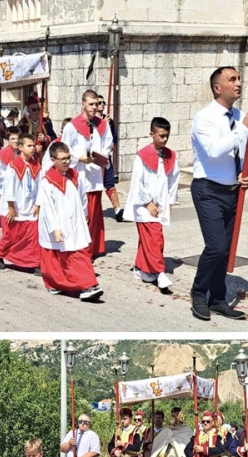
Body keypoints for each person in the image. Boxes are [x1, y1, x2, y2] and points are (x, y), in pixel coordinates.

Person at [189, 66, 248, 321]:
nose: (238, 83)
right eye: (232, 79)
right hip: (207, 189)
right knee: (216, 247)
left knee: (226, 250)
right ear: (217, 87)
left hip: (232, 191)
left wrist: (247, 170)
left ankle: (217, 298)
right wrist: (243, 128)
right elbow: (214, 150)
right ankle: (198, 294)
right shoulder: (204, 117)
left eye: (239, 78)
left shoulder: (240, 115)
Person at [37, 142, 103, 300]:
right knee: (54, 257)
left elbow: (82, 197)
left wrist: (85, 214)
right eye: (62, 159)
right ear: (53, 160)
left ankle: (87, 285)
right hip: (59, 223)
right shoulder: (47, 182)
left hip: (75, 221)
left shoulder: (75, 176)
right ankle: (55, 283)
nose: (66, 162)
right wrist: (55, 228)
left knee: (78, 252)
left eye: (68, 158)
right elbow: (47, 208)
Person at [123, 117, 180, 289]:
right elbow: (137, 182)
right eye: (161, 135)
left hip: (160, 204)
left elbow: (173, 180)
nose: (164, 139)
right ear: (152, 134)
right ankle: (159, 273)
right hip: (144, 206)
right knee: (155, 239)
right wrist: (147, 202)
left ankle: (141, 269)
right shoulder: (142, 157)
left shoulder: (170, 155)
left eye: (167, 136)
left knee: (148, 240)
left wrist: (170, 201)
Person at [61, 90, 114, 258]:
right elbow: (64, 148)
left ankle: (91, 248)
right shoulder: (71, 126)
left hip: (95, 174)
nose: (94, 107)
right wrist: (79, 157)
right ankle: (78, 247)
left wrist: (101, 155)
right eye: (90, 104)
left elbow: (108, 144)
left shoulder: (102, 125)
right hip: (79, 174)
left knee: (93, 213)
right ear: (82, 104)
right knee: (80, 212)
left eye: (96, 104)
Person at [0, 133, 42, 274]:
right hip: (14, 207)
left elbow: (40, 187)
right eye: (29, 146)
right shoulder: (13, 166)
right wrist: (11, 207)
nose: (33, 148)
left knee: (32, 236)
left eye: (33, 145)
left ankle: (34, 262)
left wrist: (38, 205)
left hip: (29, 207)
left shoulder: (36, 165)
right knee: (11, 236)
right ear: (20, 147)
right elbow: (8, 188)